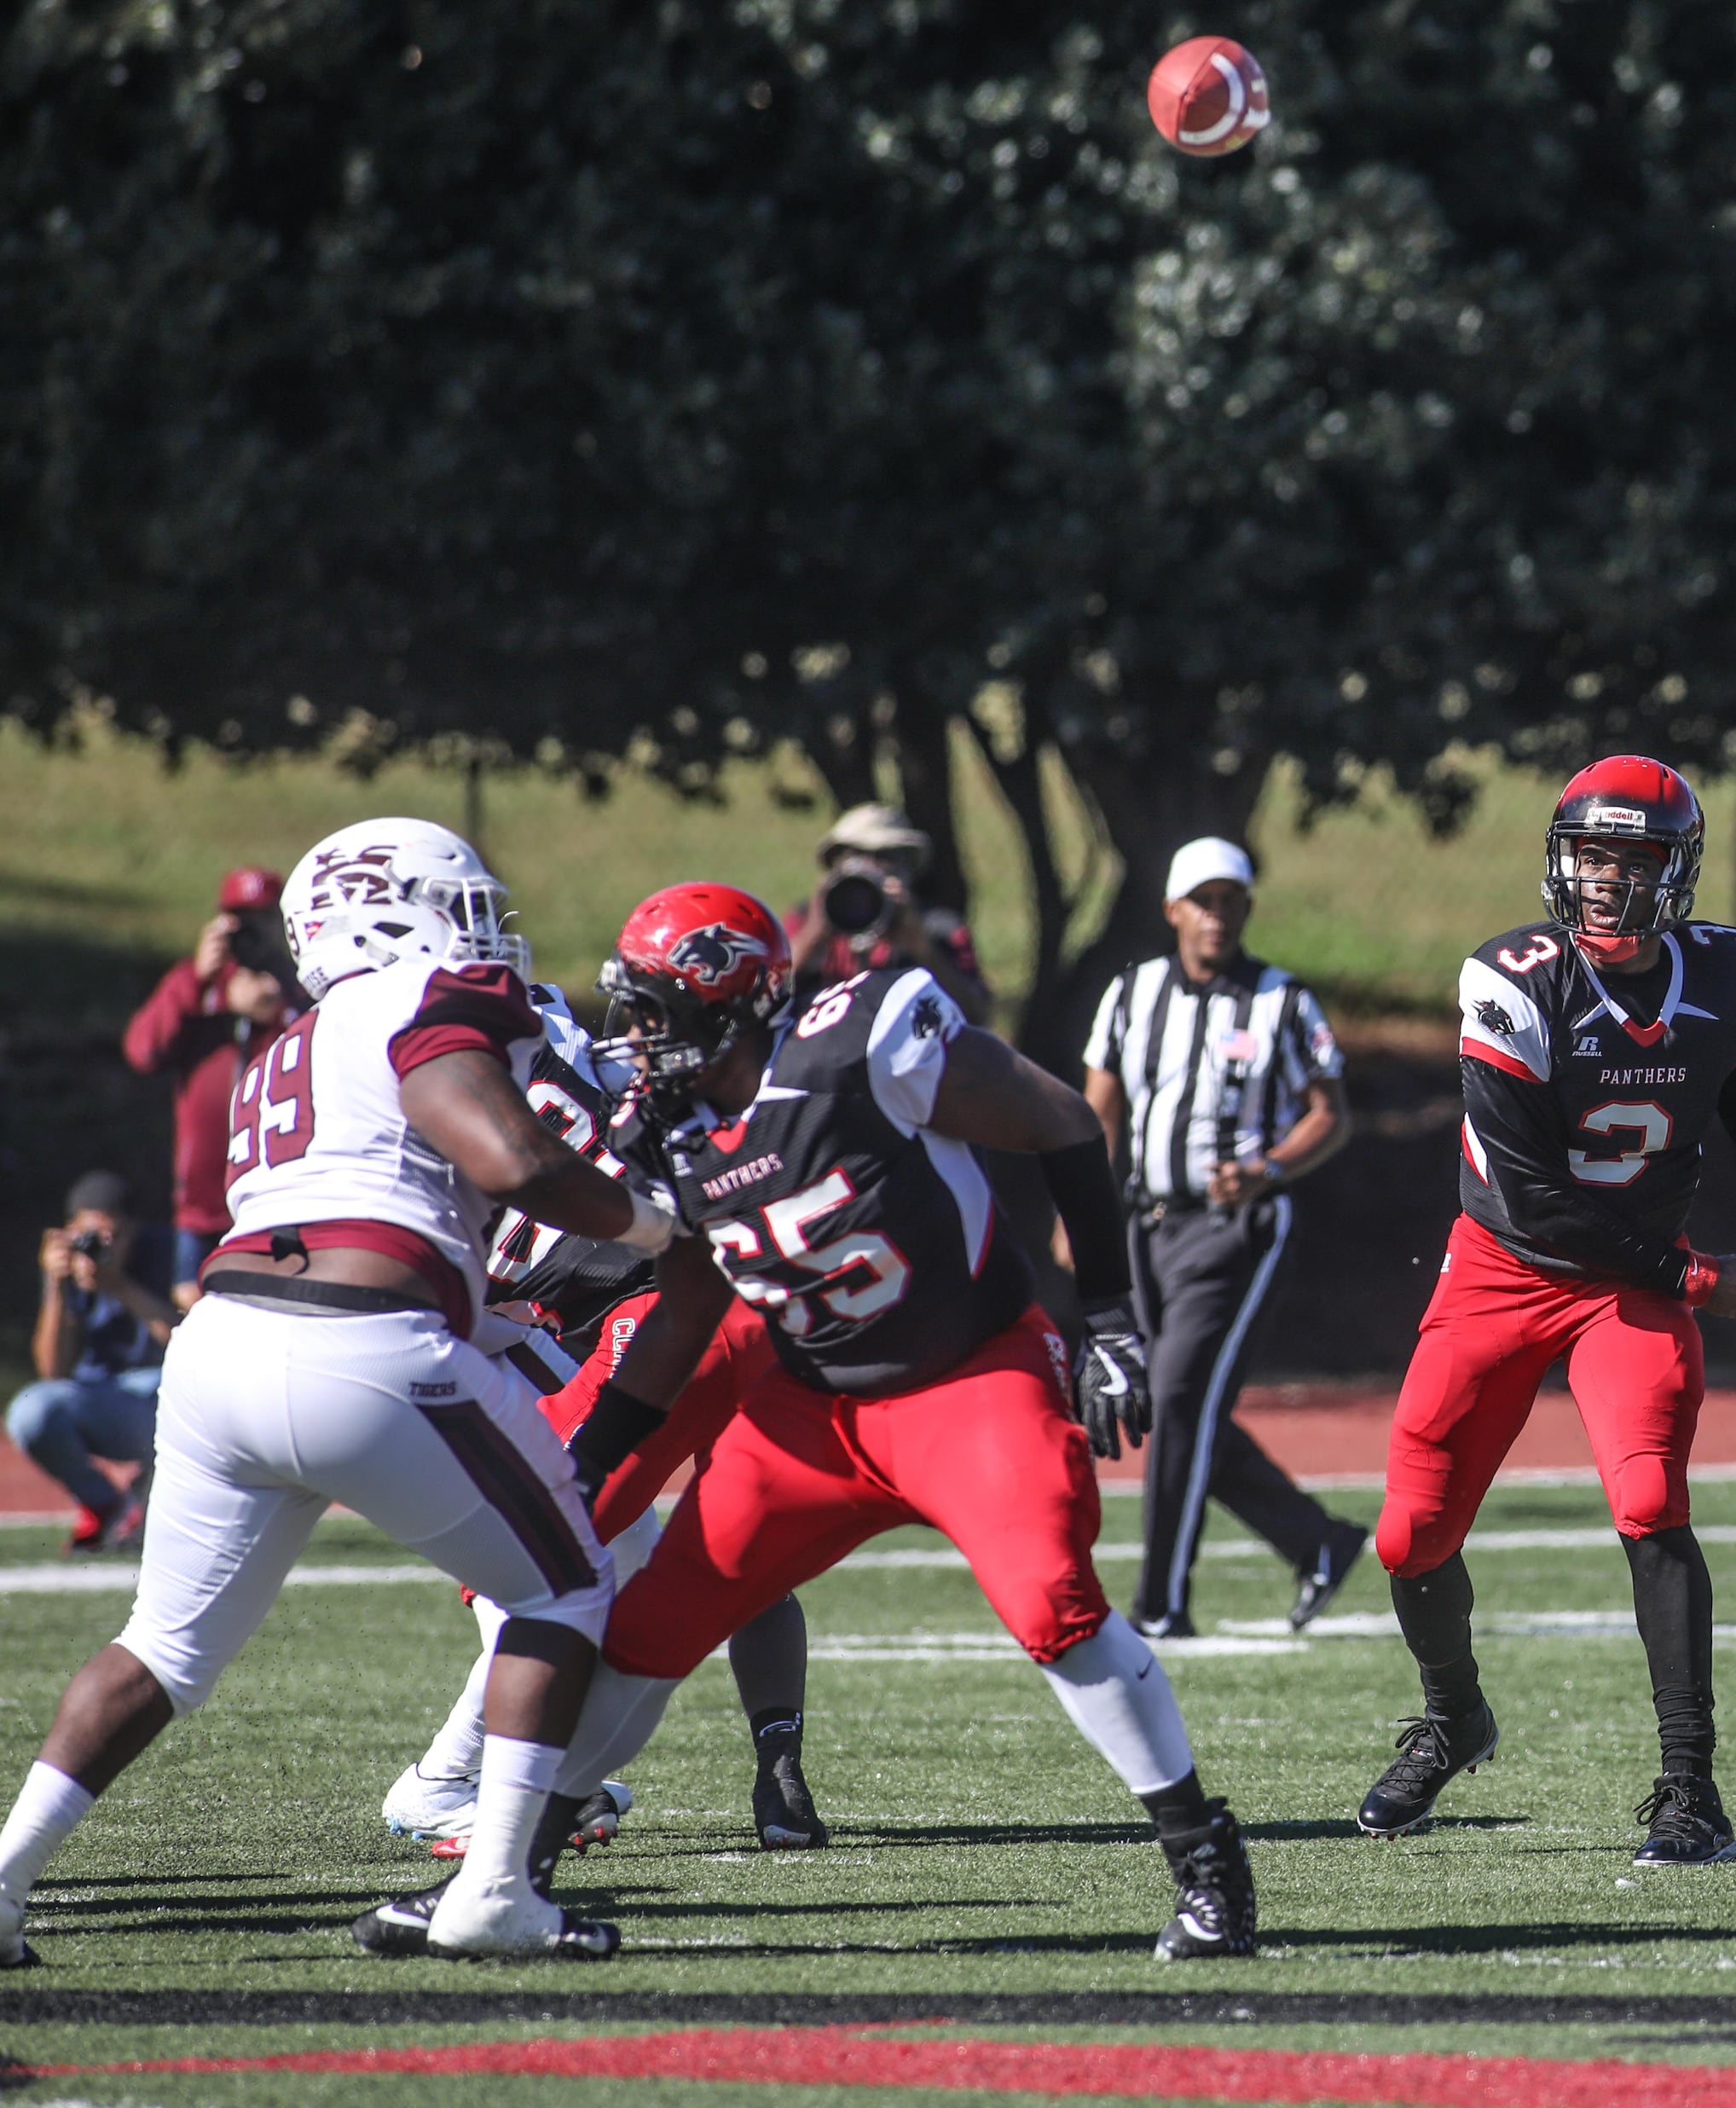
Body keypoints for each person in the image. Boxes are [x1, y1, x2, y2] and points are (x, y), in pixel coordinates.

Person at [466, 883, 1259, 1962]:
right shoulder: (671, 1130)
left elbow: (1064, 1120)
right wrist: (590, 1463)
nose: (633, 1037)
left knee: (1053, 1606)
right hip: (808, 1403)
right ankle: (509, 1878)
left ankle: (1206, 1861)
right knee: (650, 1630)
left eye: (655, 1009)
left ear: (731, 1004)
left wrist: (1111, 1316)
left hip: (966, 1376)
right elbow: (689, 1312)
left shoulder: (862, 1043)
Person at [0, 818, 678, 1967]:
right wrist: (661, 1227)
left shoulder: (285, 1045)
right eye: (459, 903)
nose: (481, 930)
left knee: (160, 1649)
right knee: (570, 1590)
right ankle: (495, 1889)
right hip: (369, 1342)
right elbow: (512, 1160)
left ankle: (7, 1877)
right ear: (399, 913)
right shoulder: (430, 993)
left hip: (219, 1349)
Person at [1354, 756, 1736, 1868]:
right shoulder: (1513, 980)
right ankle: (1452, 1719)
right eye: (1590, 856)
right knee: (1407, 1537)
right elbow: (1534, 1203)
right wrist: (1694, 1279)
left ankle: (1691, 1792)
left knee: (1650, 1503)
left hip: (1627, 1288)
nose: (1604, 883)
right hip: (1505, 1267)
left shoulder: (1733, 976)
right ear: (1557, 859)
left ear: (1676, 874)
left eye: (1631, 861)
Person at [379, 975, 825, 1857]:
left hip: (539, 1319)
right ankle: (462, 1780)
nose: (635, 1035)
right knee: (575, 1551)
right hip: (552, 1326)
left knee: (646, 1548)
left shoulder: (460, 1073)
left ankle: (517, 1782)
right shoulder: (604, 1096)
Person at [1085, 835, 1369, 1639]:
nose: (1217, 916)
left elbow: (1330, 1113)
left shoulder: (1281, 999)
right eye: (1202, 902)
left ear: (1248, 909)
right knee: (1174, 1403)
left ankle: (1161, 1605)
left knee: (1178, 1397)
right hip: (1148, 1223)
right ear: (1173, 909)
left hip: (1235, 1225)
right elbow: (1099, 1111)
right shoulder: (1131, 993)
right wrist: (1086, 1218)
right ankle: (1317, 1541)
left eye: (1231, 901)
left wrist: (1269, 1170)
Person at [121, 865, 305, 1290]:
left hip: (278, 1199)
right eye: (242, 921)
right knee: (192, 1315)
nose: (252, 933)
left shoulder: (297, 987)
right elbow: (144, 1050)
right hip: (202, 1203)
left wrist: (275, 1010)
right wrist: (206, 985)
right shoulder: (196, 985)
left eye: (264, 919)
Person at [12, 1172, 180, 1553]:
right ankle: (105, 1504)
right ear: (70, 1231)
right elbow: (52, 1371)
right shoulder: (69, 1267)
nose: (100, 1246)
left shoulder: (168, 1251)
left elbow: (188, 1345)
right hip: (102, 1399)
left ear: (134, 1230)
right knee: (31, 1410)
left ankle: (150, 1497)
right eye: (89, 1235)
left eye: (113, 1235)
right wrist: (56, 1287)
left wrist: (119, 1285)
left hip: (162, 1397)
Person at [783, 801, 991, 1025]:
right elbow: (763, 999)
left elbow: (975, 1016)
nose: (871, 869)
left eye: (886, 858)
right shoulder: (806, 920)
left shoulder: (940, 929)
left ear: (908, 870)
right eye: (856, 857)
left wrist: (923, 950)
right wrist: (815, 933)